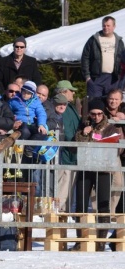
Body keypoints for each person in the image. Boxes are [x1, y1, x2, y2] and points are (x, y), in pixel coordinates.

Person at [74, 98, 123, 250]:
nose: (96, 117)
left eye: (99, 114)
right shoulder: (84, 126)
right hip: (86, 167)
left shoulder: (111, 128)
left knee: (103, 204)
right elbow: (75, 145)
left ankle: (101, 241)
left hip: (103, 169)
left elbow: (118, 147)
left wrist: (101, 139)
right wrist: (83, 133)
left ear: (103, 114)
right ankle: (81, 239)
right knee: (81, 204)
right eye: (93, 114)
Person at [81, 16, 125, 99]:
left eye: (108, 25)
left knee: (112, 103)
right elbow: (85, 58)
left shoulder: (119, 41)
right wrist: (87, 77)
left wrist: (121, 78)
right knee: (95, 104)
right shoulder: (93, 39)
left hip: (113, 78)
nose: (106, 28)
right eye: (104, 25)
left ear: (114, 26)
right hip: (96, 78)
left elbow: (123, 60)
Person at [54, 80, 81, 212]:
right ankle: (56, 215)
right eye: (71, 90)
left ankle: (64, 215)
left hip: (72, 154)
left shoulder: (69, 107)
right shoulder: (61, 107)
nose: (74, 92)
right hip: (65, 155)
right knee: (63, 187)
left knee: (68, 188)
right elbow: (67, 131)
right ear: (64, 91)